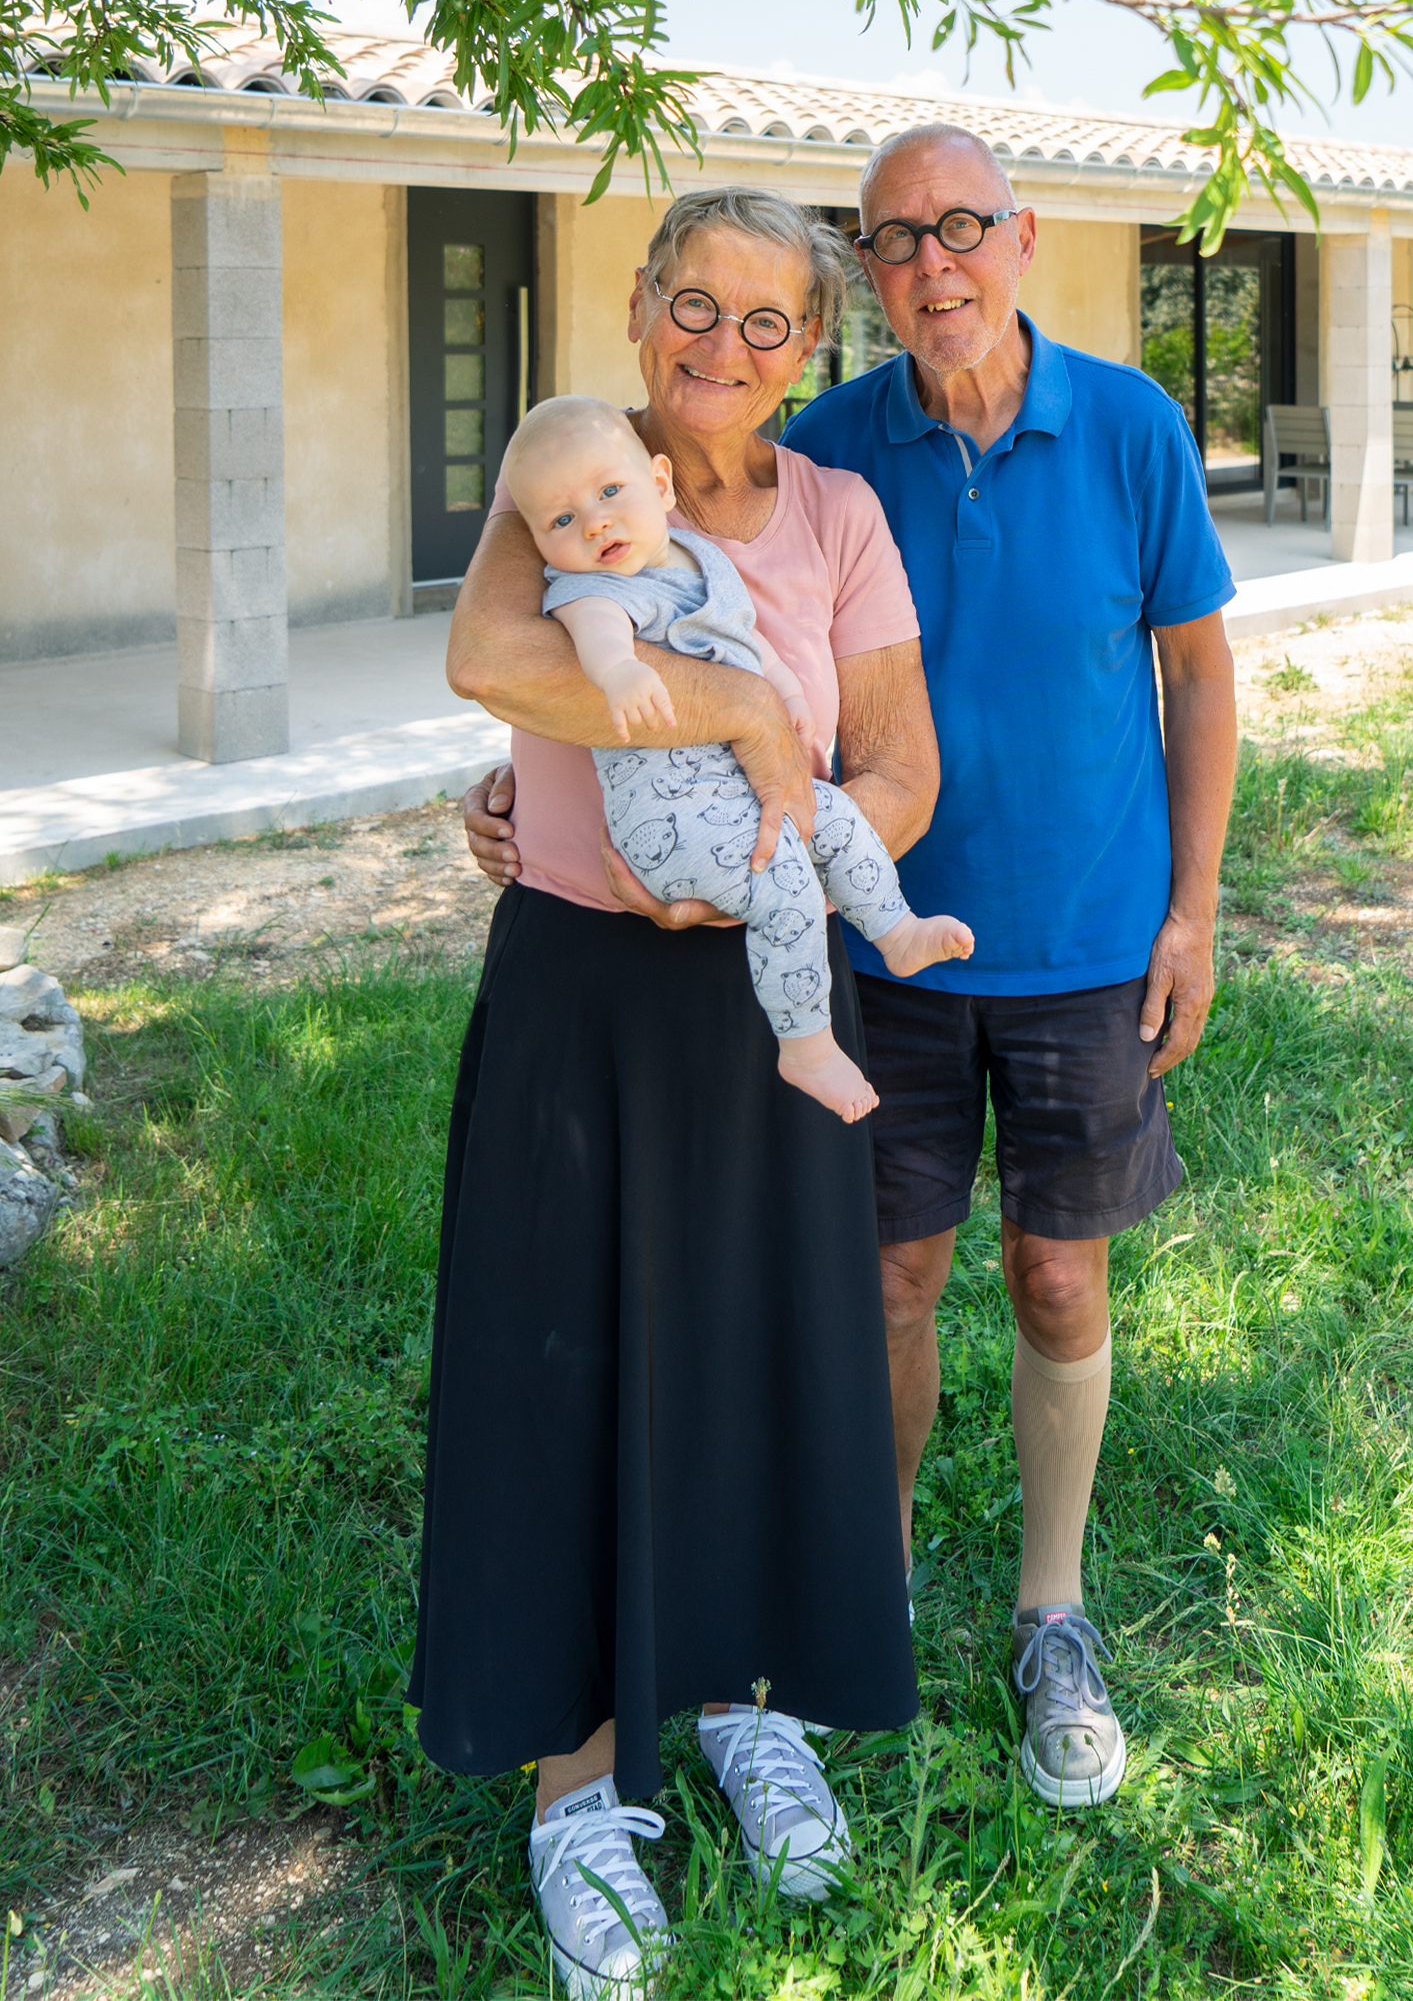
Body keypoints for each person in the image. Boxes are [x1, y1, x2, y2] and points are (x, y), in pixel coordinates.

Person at [467, 123, 1239, 1815]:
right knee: (819, 1307)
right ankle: (764, 1661)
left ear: (1019, 239)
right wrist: (534, 787)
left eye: (961, 229)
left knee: (993, 1291)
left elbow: (1149, 683)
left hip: (1006, 943)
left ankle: (1006, 1619)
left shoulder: (1052, 444)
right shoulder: (704, 456)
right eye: (895, 241)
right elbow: (530, 645)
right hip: (736, 969)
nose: (932, 264)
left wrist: (1191, 908)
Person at [421, 188, 938, 1998]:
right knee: (566, 1366)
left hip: (768, 993)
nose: (724, 349)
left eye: (769, 323)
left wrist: (767, 843)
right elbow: (493, 661)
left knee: (751, 1359)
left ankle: (736, 1702)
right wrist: (736, 719)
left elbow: (902, 772)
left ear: (814, 351)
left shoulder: (841, 517)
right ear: (640, 309)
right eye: (693, 308)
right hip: (579, 989)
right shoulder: (561, 470)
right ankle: (578, 1792)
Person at [505, 392, 973, 1119]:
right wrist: (620, 672)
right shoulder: (588, 587)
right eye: (562, 520)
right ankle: (807, 1046)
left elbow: (748, 643)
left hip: (743, 795)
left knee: (841, 820)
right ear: (536, 540)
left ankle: (895, 929)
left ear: (658, 487)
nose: (594, 522)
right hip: (670, 816)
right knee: (781, 877)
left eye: (609, 494)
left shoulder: (702, 560)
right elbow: (598, 637)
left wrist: (781, 692)